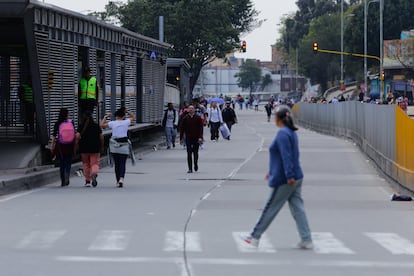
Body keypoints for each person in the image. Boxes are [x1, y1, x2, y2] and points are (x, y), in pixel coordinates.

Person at [242, 105, 313, 250]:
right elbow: (288, 156)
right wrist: (273, 171)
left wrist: (289, 175)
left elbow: (286, 157)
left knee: (270, 207)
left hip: (285, 179)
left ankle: (255, 236)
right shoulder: (291, 132)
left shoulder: (282, 134)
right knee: (298, 209)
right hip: (296, 176)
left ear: (278, 119)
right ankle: (306, 239)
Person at [100, 107, 135, 188]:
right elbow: (133, 117)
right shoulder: (126, 122)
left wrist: (105, 117)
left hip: (114, 146)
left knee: (117, 164)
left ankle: (117, 180)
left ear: (116, 116)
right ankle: (121, 178)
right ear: (123, 116)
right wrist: (128, 111)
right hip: (124, 145)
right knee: (122, 163)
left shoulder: (112, 123)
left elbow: (102, 125)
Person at [75, 111, 104, 187]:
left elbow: (77, 136)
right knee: (94, 163)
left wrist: (76, 145)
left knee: (86, 164)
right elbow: (101, 137)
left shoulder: (81, 126)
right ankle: (94, 173)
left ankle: (88, 181)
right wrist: (102, 145)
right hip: (95, 147)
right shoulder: (96, 126)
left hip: (84, 148)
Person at [51, 108, 75, 187]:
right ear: (67, 114)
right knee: (68, 161)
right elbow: (74, 133)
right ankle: (67, 174)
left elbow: (54, 136)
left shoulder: (57, 123)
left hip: (61, 145)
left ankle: (63, 181)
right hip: (70, 145)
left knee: (62, 163)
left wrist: (52, 146)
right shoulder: (71, 122)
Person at [180, 105, 203, 173]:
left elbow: (200, 128)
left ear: (194, 110)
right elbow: (182, 129)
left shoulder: (198, 118)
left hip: (196, 138)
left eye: (192, 109)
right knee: (189, 153)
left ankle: (195, 164)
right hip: (188, 138)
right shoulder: (185, 118)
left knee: (195, 153)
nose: (191, 110)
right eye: (189, 109)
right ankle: (190, 168)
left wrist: (200, 137)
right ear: (188, 110)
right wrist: (181, 138)